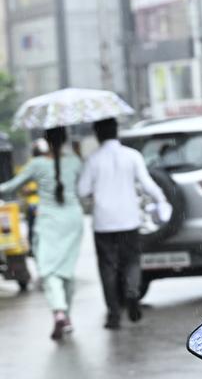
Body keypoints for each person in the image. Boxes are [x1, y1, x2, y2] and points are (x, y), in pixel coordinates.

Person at [77, 118, 170, 329]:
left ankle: (113, 314)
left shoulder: (93, 160)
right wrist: (161, 200)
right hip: (129, 219)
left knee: (107, 267)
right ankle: (132, 293)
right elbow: (147, 183)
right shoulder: (132, 156)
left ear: (97, 134)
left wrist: (95, 193)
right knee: (131, 261)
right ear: (116, 132)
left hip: (103, 222)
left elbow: (82, 191)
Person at [0, 127, 84, 339]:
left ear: (46, 140)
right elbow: (83, 189)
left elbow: (10, 187)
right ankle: (67, 316)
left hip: (48, 220)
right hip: (73, 218)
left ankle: (58, 312)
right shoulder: (74, 161)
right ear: (65, 139)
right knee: (66, 270)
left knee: (48, 270)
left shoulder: (37, 164)